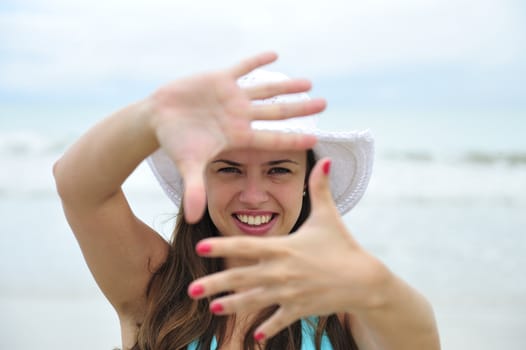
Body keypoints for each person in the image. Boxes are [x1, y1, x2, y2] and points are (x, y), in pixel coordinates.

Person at [53, 52, 440, 350]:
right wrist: (152, 114)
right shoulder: (155, 287)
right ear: (199, 176)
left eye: (278, 170)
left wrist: (375, 283)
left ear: (308, 181)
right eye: (228, 169)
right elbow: (78, 187)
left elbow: (420, 340)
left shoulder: (343, 310)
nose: (253, 196)